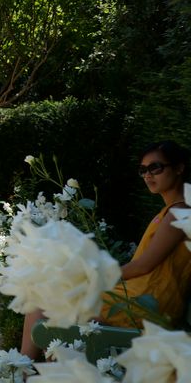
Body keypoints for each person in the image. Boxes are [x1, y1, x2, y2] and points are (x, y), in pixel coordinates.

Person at [20, 141, 191, 358]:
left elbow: (143, 266)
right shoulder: (170, 212)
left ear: (179, 168)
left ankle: (21, 372)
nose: (148, 175)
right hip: (141, 296)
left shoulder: (180, 213)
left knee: (42, 299)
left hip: (147, 304)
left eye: (155, 167)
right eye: (143, 170)